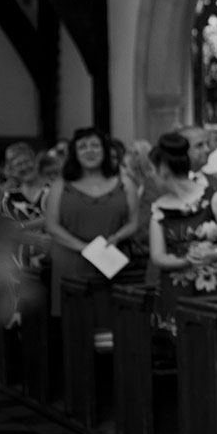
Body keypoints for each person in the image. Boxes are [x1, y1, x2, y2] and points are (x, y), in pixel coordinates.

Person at [147, 133, 217, 336]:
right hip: (177, 291)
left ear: (163, 170)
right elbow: (158, 256)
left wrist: (214, 256)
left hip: (216, 288)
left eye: (153, 171)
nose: (151, 176)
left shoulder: (213, 198)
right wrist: (185, 261)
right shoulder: (159, 209)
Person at [45, 127, 139, 316]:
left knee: (113, 321)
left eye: (95, 146)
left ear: (105, 151)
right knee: (76, 323)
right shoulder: (61, 186)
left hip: (110, 256)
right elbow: (52, 226)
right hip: (71, 259)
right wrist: (85, 248)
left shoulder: (125, 182)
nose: (90, 151)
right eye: (83, 147)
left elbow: (133, 222)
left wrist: (117, 237)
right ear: (74, 154)